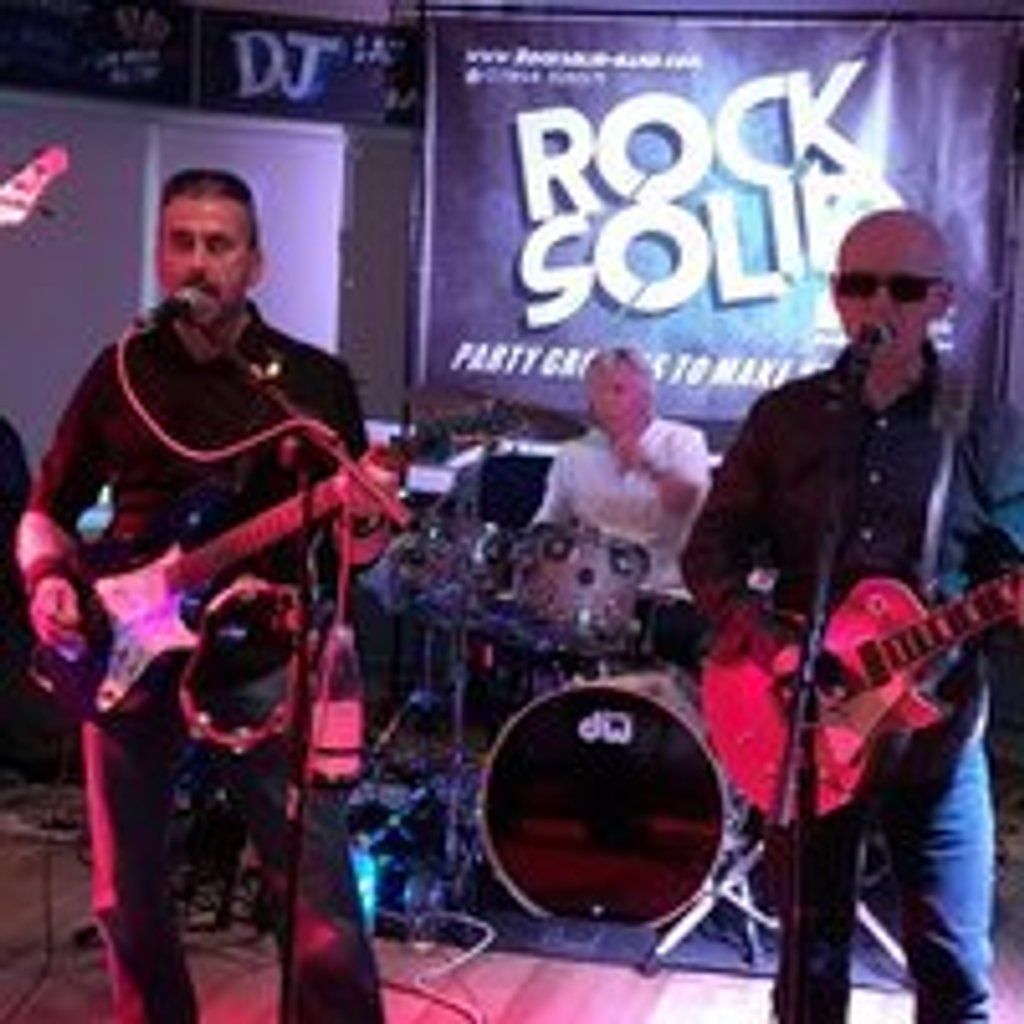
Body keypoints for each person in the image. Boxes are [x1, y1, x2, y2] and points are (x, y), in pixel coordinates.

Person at [16, 168, 388, 1023]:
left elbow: (356, 551)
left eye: (218, 245)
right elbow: (47, 510)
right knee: (125, 893)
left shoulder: (309, 383)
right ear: (159, 254)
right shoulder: (121, 370)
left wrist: (367, 517)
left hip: (260, 658)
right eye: (181, 242)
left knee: (318, 896)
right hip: (126, 648)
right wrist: (47, 584)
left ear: (255, 264)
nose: (198, 262)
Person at [682, 208, 1024, 1023]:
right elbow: (710, 553)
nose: (878, 305)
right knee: (809, 964)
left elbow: (1010, 564)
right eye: (857, 285)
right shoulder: (788, 417)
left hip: (936, 735)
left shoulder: (983, 425)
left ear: (941, 300)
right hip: (802, 726)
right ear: (836, 296)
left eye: (903, 288)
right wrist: (773, 648)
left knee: (953, 968)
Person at [532, 345, 711, 669]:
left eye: (618, 389)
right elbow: (548, 524)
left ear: (647, 396)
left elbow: (688, 503)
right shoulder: (573, 453)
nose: (608, 400)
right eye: (598, 391)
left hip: (663, 596)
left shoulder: (683, 441)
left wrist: (647, 466)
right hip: (590, 599)